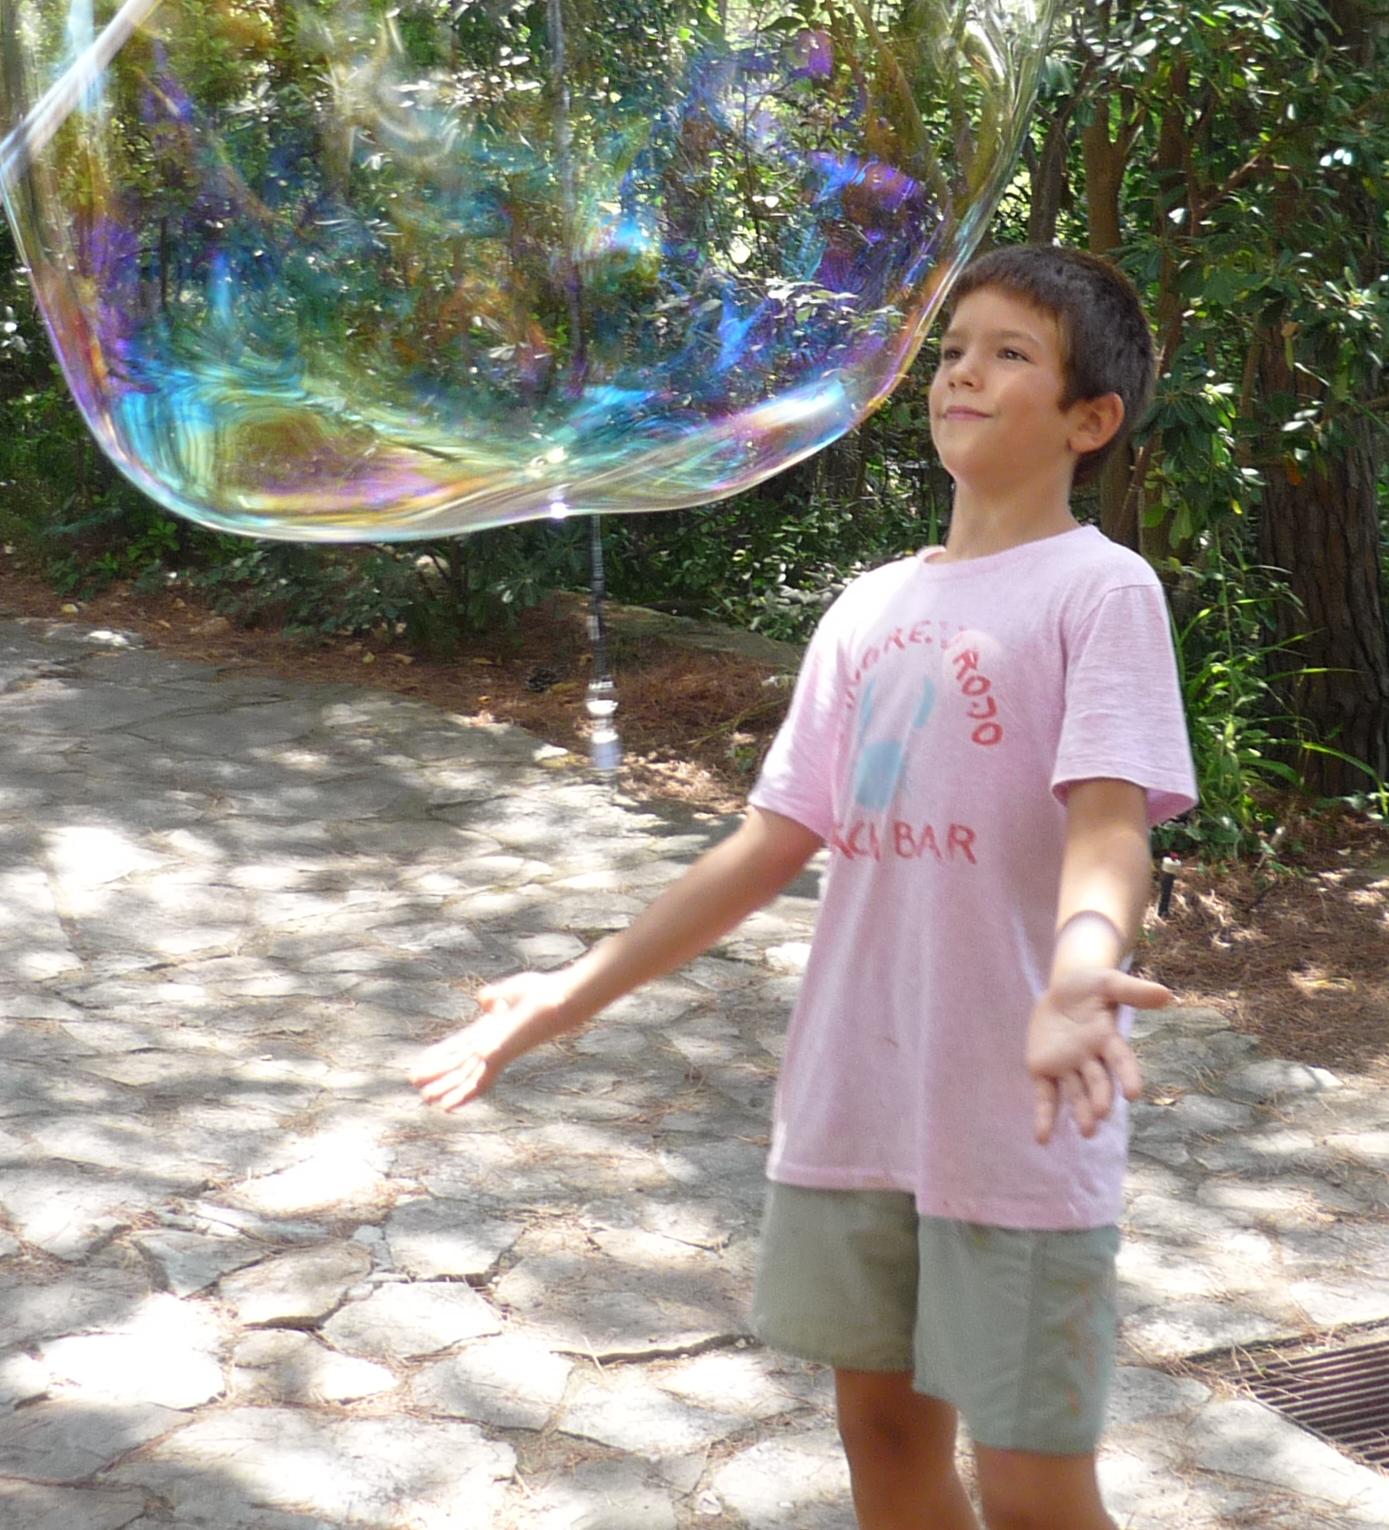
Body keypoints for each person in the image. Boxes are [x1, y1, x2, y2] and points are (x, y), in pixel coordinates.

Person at [411, 243, 1194, 1530]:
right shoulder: (869, 606)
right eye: (952, 350)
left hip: (1017, 1117)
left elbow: (1112, 822)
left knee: (1034, 1482)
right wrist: (562, 996)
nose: (962, 373)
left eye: (1011, 354)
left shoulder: (1100, 590)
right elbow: (767, 845)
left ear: (1089, 419)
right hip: (859, 1097)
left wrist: (1077, 965)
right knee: (882, 1439)